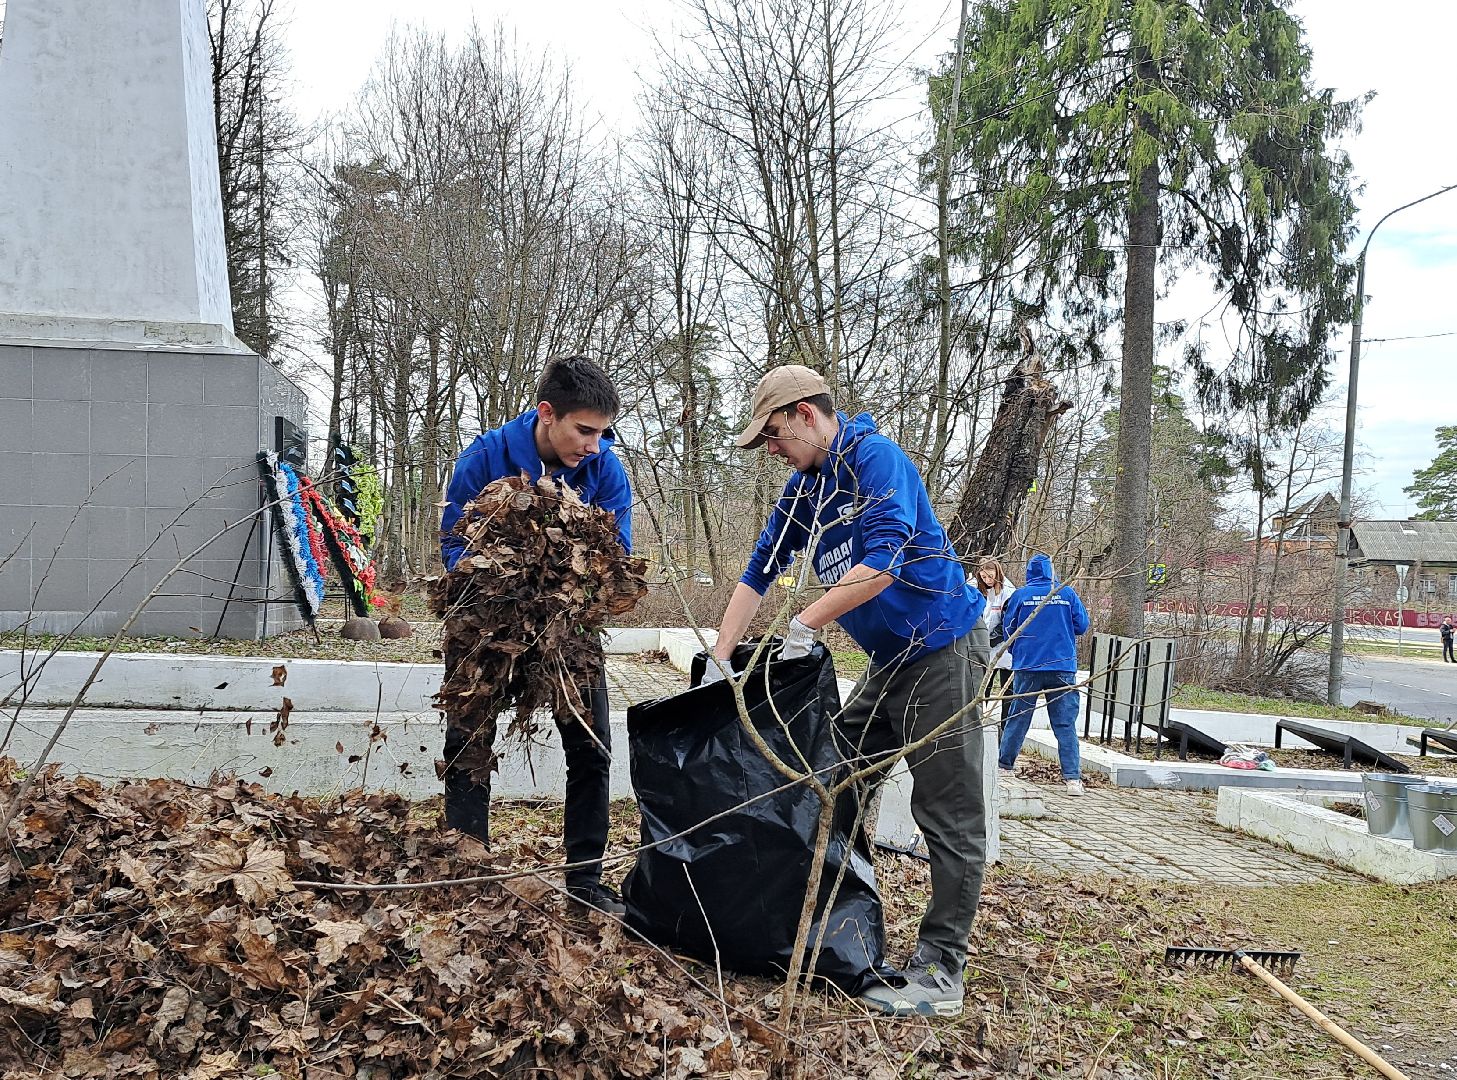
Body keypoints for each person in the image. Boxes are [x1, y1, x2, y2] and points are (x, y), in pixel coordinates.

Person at [705, 364, 989, 1019]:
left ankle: (942, 969)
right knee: (833, 779)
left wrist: (806, 624)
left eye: (774, 435)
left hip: (942, 650)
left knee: (948, 815)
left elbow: (884, 562)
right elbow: (760, 568)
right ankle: (833, 928)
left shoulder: (873, 460)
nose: (771, 451)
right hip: (890, 662)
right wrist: (718, 653)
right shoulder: (805, 489)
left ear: (807, 414)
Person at [438, 356, 632, 915]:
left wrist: (570, 594)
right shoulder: (485, 457)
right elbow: (454, 547)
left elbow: (615, 560)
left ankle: (585, 884)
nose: (594, 446)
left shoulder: (605, 472)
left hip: (568, 626)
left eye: (604, 433)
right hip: (486, 617)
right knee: (466, 744)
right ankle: (468, 873)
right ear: (548, 414)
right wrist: (508, 579)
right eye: (585, 430)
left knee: (592, 747)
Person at [996, 553, 1090, 795]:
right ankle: (1072, 779)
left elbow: (1009, 629)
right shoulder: (1066, 593)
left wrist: (1020, 650)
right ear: (1051, 571)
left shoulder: (1021, 595)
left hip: (1028, 665)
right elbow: (1082, 625)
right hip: (1062, 666)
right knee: (1064, 723)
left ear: (1030, 572)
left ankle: (1005, 766)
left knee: (1019, 717)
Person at [974, 556, 1017, 724]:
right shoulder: (981, 590)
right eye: (984, 577)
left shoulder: (1009, 591)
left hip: (1004, 649)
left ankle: (1005, 727)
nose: (987, 580)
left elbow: (1007, 623)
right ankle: (979, 722)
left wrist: (988, 641)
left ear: (997, 573)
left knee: (1008, 693)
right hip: (987, 649)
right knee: (983, 689)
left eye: (990, 576)